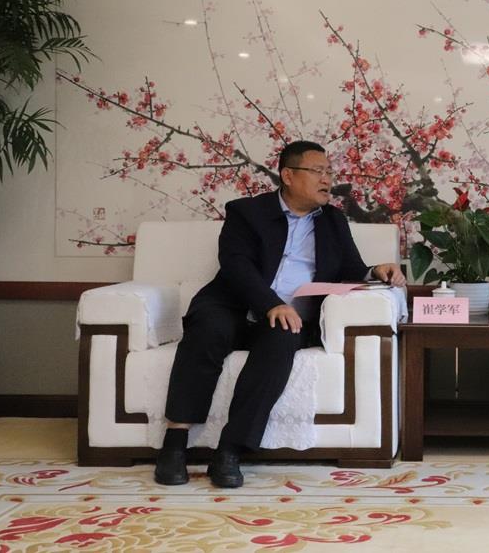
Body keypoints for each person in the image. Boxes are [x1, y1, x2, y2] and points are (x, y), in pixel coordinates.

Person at [154, 140, 406, 488]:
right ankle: (175, 443)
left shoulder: (333, 220)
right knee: (208, 328)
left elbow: (349, 267)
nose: (327, 179)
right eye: (317, 171)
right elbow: (236, 264)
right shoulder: (246, 212)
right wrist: (270, 302)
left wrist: (374, 270)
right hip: (234, 303)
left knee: (283, 337)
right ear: (288, 175)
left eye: (329, 172)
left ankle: (230, 450)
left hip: (288, 317)